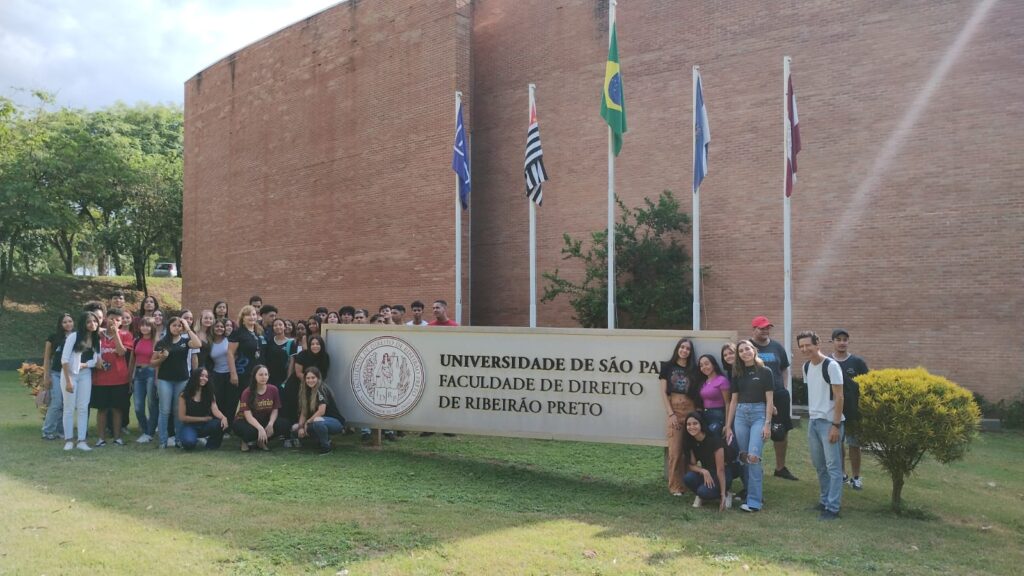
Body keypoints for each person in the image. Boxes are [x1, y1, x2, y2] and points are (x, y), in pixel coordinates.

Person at [798, 331, 845, 520]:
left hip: (830, 422)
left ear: (817, 344)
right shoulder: (806, 367)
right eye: (801, 346)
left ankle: (833, 508)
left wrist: (835, 425)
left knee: (833, 467)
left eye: (808, 345)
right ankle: (825, 501)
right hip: (814, 422)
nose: (805, 349)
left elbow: (840, 396)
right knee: (820, 466)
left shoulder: (831, 366)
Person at [724, 339, 774, 512]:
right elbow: (733, 401)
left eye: (747, 349)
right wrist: (728, 425)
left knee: (754, 457)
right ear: (739, 355)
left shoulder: (765, 371)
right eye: (741, 351)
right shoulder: (737, 374)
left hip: (759, 414)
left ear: (754, 350)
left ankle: (754, 502)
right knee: (744, 457)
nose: (745, 352)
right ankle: (749, 495)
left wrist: (767, 424)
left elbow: (769, 400)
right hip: (740, 416)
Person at [750, 316, 798, 481]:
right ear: (754, 329)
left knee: (781, 430)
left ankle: (780, 468)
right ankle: (754, 466)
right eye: (761, 328)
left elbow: (784, 368)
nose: (765, 331)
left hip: (779, 394)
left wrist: (784, 386)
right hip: (757, 396)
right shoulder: (747, 347)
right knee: (757, 431)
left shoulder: (777, 346)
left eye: (767, 328)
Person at [151, 316, 202, 448]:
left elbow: (198, 344)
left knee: (178, 410)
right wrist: (162, 358)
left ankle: (179, 440)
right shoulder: (162, 342)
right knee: (165, 410)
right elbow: (152, 362)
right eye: (174, 325)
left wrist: (188, 328)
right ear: (169, 327)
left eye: (179, 326)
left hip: (182, 379)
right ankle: (163, 441)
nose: (177, 328)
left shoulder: (186, 341)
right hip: (165, 380)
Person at [659, 337, 698, 496]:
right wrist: (671, 414)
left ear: (690, 352)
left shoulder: (694, 369)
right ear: (677, 349)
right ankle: (675, 486)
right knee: (675, 452)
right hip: (675, 410)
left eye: (688, 348)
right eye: (682, 347)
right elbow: (663, 392)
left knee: (689, 452)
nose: (684, 350)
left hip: (691, 411)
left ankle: (688, 484)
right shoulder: (667, 367)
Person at [830, 328, 869, 490]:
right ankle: (842, 474)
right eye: (838, 339)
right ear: (833, 342)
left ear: (848, 342)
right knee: (838, 444)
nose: (842, 343)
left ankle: (856, 477)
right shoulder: (828, 362)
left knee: (854, 444)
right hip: (834, 410)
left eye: (845, 339)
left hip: (854, 411)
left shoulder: (857, 362)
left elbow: (867, 384)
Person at [91, 308, 133, 446]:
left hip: (119, 378)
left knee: (117, 409)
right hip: (100, 379)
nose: (114, 322)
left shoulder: (126, 334)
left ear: (121, 322)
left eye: (117, 320)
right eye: (111, 318)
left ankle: (117, 437)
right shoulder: (97, 335)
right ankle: (101, 438)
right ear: (105, 319)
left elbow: (121, 352)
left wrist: (116, 334)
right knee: (102, 409)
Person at [61, 311, 100, 451]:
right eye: (89, 321)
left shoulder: (96, 339)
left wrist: (85, 365)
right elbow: (64, 360)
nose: (93, 324)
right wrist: (68, 381)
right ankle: (69, 440)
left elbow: (95, 361)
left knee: (83, 407)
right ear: (83, 323)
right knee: (69, 408)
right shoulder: (74, 337)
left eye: (95, 321)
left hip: (85, 375)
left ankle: (82, 440)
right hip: (69, 375)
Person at [682, 412, 733, 511]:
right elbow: (691, 465)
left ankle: (725, 494)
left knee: (703, 492)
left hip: (723, 473)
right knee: (688, 478)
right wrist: (703, 471)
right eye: (688, 424)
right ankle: (705, 493)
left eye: (695, 423)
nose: (691, 427)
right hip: (708, 471)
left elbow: (721, 469)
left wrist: (722, 494)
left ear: (701, 424)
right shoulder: (690, 441)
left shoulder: (714, 440)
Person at [233, 364, 289, 451]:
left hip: (263, 419)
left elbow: (275, 409)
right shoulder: (247, 392)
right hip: (245, 421)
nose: (264, 377)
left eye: (266, 374)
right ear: (254, 376)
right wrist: (260, 428)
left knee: (284, 424)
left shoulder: (273, 389)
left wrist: (270, 423)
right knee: (250, 432)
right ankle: (245, 441)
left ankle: (261, 442)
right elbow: (248, 416)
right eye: (260, 374)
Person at [226, 305, 265, 426]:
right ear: (242, 318)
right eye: (248, 314)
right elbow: (230, 353)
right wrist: (233, 374)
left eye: (253, 314)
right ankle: (230, 427)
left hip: (258, 373)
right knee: (241, 400)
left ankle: (253, 425)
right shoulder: (238, 333)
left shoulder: (259, 331)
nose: (251, 317)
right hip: (243, 372)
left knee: (255, 400)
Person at [292, 367, 345, 454]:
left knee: (317, 421)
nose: (310, 380)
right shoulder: (305, 391)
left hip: (335, 423)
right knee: (295, 428)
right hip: (318, 422)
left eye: (313, 378)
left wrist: (307, 422)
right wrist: (301, 427)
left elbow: (321, 411)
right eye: (308, 378)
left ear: (318, 378)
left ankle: (326, 447)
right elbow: (303, 413)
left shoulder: (321, 389)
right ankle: (320, 441)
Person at [177, 367, 229, 451]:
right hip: (190, 425)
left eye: (206, 376)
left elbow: (215, 410)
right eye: (201, 375)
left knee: (220, 423)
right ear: (195, 377)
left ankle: (211, 445)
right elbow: (182, 417)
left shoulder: (210, 394)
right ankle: (191, 438)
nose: (204, 378)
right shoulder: (184, 395)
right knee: (189, 444)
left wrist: (223, 418)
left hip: (205, 425)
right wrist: (203, 419)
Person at [41, 313, 75, 440]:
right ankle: (47, 431)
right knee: (56, 402)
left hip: (70, 375)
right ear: (60, 324)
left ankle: (62, 431)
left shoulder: (77, 337)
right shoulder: (53, 337)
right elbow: (47, 358)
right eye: (65, 322)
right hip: (55, 373)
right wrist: (46, 376)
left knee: (66, 403)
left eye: (70, 321)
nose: (68, 324)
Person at [130, 317, 160, 443]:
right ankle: (147, 429)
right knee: (138, 406)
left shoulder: (157, 342)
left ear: (152, 327)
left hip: (151, 373)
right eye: (142, 325)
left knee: (152, 404)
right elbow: (132, 359)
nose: (144, 328)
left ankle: (149, 433)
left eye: (148, 325)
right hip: (138, 373)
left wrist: (157, 379)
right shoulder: (137, 340)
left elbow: (159, 362)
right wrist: (130, 376)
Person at [694, 354, 730, 435]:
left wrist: (727, 424)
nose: (704, 367)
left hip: (718, 416)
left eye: (707, 364)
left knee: (712, 437)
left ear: (713, 364)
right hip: (705, 416)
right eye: (701, 365)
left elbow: (728, 403)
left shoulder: (722, 380)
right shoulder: (704, 382)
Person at [263, 318, 295, 388]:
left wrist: (288, 379)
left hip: (283, 378)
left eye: (280, 324)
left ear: (284, 327)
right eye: (275, 325)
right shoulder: (269, 341)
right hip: (269, 378)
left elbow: (291, 362)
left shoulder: (291, 343)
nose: (278, 327)